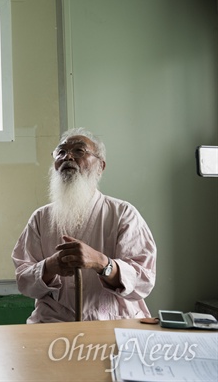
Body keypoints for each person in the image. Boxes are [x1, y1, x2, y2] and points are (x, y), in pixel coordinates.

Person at [11, 127, 156, 323]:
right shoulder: (41, 218)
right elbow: (24, 281)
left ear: (101, 166)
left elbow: (144, 281)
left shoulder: (123, 214)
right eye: (61, 152)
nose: (67, 156)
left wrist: (101, 263)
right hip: (53, 323)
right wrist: (49, 266)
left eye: (79, 151)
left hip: (111, 322)